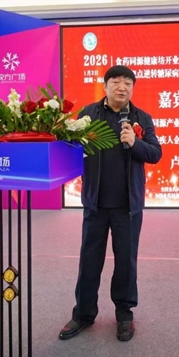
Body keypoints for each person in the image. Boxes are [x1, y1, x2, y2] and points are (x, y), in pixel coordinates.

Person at [59, 65, 162, 342]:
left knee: (126, 262)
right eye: (116, 81)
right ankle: (83, 314)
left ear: (133, 88)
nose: (122, 87)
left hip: (128, 207)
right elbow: (72, 148)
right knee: (89, 261)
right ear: (105, 86)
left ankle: (124, 314)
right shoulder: (88, 114)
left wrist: (135, 142)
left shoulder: (142, 118)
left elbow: (156, 153)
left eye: (128, 82)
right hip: (95, 203)